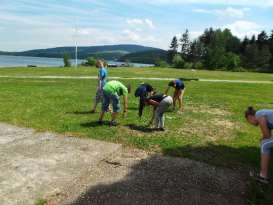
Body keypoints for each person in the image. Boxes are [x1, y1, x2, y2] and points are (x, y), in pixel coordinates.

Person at [245, 107, 273, 184]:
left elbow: (267, 135)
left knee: (265, 145)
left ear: (250, 117)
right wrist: (263, 138)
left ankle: (263, 177)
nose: (251, 124)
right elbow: (268, 135)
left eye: (249, 121)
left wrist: (262, 139)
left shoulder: (259, 115)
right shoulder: (264, 114)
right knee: (268, 144)